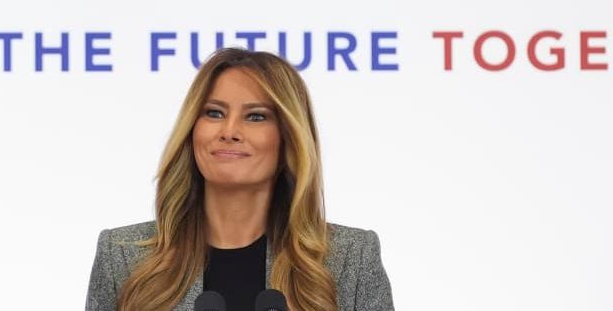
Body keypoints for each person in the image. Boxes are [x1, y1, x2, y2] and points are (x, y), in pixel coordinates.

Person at [85, 48, 394, 311]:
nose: (229, 131)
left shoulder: (351, 259)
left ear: (289, 138)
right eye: (214, 113)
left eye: (256, 116)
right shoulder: (122, 257)